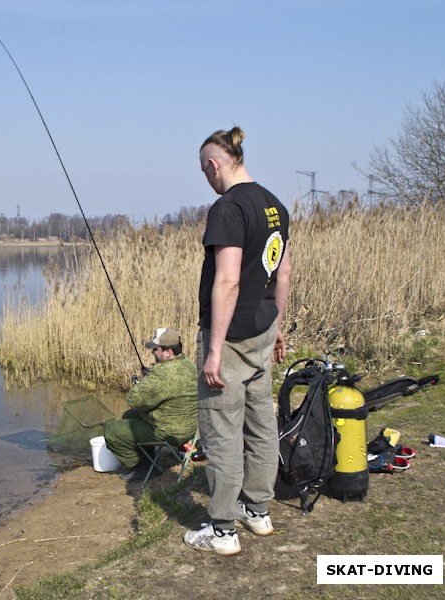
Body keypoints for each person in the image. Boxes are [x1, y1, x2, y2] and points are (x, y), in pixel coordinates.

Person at [183, 127, 292, 556]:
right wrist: (279, 326)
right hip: (263, 330)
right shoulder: (275, 205)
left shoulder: (227, 208)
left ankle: (223, 528)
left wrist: (214, 349)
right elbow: (281, 274)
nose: (206, 177)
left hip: (229, 338)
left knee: (222, 431)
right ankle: (257, 510)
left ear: (214, 164)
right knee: (262, 423)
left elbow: (227, 282)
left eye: (204, 169)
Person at [104, 328, 198, 481]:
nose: (152, 352)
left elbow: (133, 400)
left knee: (111, 430)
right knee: (128, 416)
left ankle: (143, 467)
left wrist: (142, 383)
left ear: (168, 352)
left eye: (156, 349)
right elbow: (169, 387)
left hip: (168, 432)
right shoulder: (189, 365)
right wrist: (150, 378)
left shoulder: (161, 375)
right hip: (188, 429)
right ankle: (148, 457)